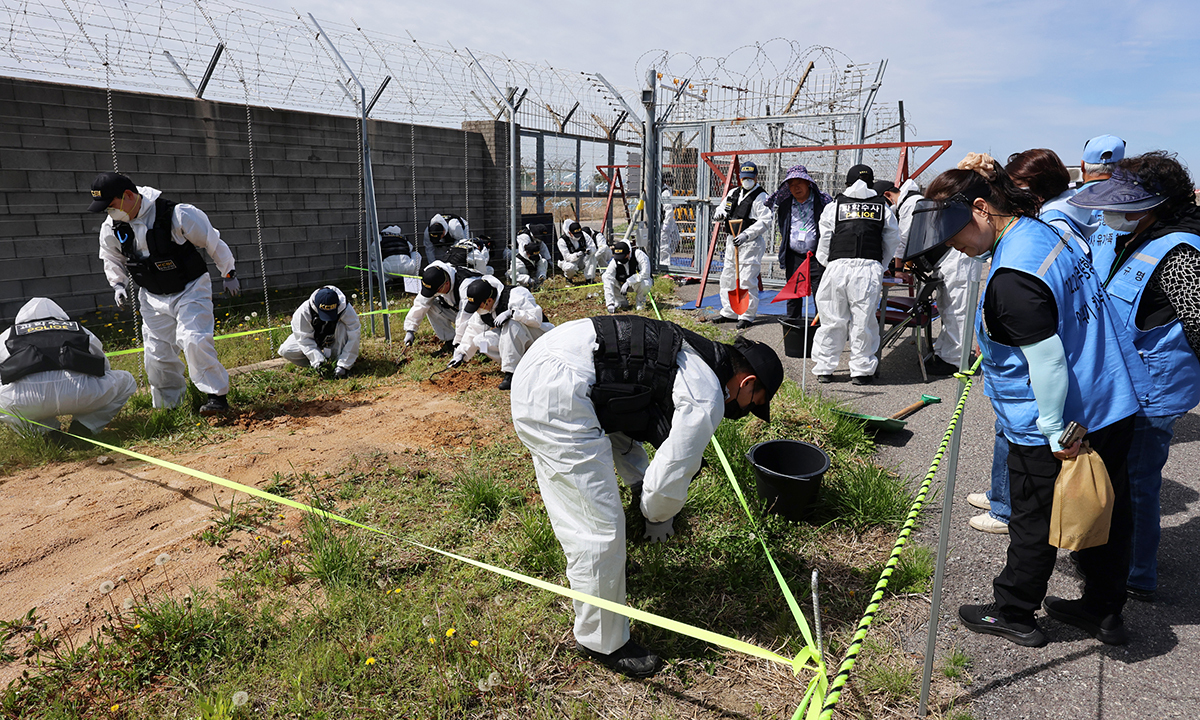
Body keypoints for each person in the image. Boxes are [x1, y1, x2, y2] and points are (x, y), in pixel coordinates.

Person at [905, 153, 1144, 647]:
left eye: (955, 235)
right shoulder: (1045, 232)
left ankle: (1014, 610)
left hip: (1057, 420)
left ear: (980, 208)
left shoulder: (1012, 275)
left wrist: (1055, 429)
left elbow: (1049, 362)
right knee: (1105, 510)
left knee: (1032, 514)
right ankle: (1103, 609)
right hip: (1108, 398)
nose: (956, 248)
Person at [510, 315, 784, 676]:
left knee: (590, 509)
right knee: (599, 532)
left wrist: (640, 484)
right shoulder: (706, 394)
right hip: (558, 393)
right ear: (747, 381)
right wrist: (656, 514)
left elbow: (621, 418)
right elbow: (672, 473)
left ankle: (604, 578)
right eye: (754, 401)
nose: (746, 409)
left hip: (549, 363)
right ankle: (602, 641)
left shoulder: (687, 351)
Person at [1069, 151, 1200, 602]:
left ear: (1152, 205)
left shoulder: (1181, 251)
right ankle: (1114, 555)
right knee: (1120, 475)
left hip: (1152, 390)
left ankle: (1137, 571)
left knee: (1139, 480)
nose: (1111, 214)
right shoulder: (1136, 237)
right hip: (1121, 382)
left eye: (1122, 205)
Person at [88, 172, 239, 415]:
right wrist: (118, 285)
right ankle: (171, 406)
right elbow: (110, 256)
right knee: (157, 353)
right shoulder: (112, 226)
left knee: (194, 339)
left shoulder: (177, 214)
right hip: (151, 295)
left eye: (111, 206)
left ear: (128, 196)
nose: (109, 213)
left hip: (190, 288)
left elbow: (212, 240)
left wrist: (228, 272)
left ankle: (217, 398)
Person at [0, 297, 137, 446]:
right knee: (126, 380)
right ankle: (85, 427)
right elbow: (103, 366)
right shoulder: (78, 329)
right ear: (61, 315)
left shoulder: (7, 335)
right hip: (81, 394)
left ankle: (45, 433)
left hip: (26, 402)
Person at [812, 164, 901, 385]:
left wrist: (828, 263)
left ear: (847, 183)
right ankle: (861, 371)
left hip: (837, 266)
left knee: (832, 319)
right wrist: (879, 265)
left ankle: (825, 368)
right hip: (868, 269)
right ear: (872, 183)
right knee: (863, 321)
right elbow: (892, 241)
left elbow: (824, 240)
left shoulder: (835, 206)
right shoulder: (883, 207)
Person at [882, 178, 975, 377]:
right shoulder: (916, 201)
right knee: (947, 308)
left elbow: (903, 239)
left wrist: (899, 268)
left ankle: (955, 360)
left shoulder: (909, 204)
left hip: (956, 261)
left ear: (887, 195)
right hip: (948, 259)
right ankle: (945, 352)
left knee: (956, 312)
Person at [448, 276, 553, 390]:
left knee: (512, 324)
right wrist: (461, 354)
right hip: (515, 341)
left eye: (478, 306)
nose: (477, 310)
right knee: (480, 341)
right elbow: (473, 330)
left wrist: (513, 313)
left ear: (488, 301)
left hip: (539, 337)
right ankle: (520, 365)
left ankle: (511, 373)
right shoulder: (484, 310)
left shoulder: (515, 294)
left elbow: (536, 319)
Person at [710, 161, 773, 329]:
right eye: (744, 178)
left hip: (750, 244)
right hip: (732, 241)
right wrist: (720, 214)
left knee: (746, 279)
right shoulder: (733, 193)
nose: (747, 181)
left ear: (756, 177)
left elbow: (765, 220)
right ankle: (729, 311)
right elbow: (721, 208)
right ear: (739, 178)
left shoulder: (761, 196)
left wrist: (747, 234)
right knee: (728, 277)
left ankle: (747, 315)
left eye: (750, 178)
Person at [766, 165, 830, 321]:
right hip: (794, 256)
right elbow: (783, 227)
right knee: (793, 293)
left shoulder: (822, 202)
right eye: (792, 184)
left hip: (817, 257)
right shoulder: (786, 204)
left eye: (799, 182)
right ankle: (792, 325)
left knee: (820, 293)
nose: (796, 187)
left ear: (808, 183)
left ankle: (821, 327)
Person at [1006, 148, 1096, 254]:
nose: (1014, 192)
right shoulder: (1069, 209)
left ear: (1040, 186)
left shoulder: (1052, 225)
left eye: (1019, 185)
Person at [278, 286, 361, 378]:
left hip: (335, 337)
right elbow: (304, 339)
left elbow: (354, 334)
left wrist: (344, 365)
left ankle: (339, 365)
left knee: (343, 327)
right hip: (313, 337)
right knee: (286, 350)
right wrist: (318, 361)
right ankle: (320, 365)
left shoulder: (346, 308)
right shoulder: (303, 311)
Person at [402, 261, 479, 356]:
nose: (434, 294)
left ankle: (471, 346)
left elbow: (464, 316)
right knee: (432, 306)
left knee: (477, 340)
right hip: (457, 310)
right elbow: (421, 303)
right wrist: (410, 330)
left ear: (446, 283)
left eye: (436, 291)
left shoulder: (466, 285)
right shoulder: (433, 276)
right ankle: (450, 341)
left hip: (478, 317)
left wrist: (459, 344)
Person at [1076, 135, 1126, 277]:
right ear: (1121, 167)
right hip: (1118, 289)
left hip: (1078, 288)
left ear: (1082, 165)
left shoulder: (1066, 201)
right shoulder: (1135, 202)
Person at [602, 241, 652, 313]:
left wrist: (629, 282)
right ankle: (620, 301)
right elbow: (608, 277)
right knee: (605, 276)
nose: (620, 260)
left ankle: (641, 302)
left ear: (629, 253)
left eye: (623, 257)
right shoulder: (615, 261)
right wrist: (610, 303)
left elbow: (646, 273)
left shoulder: (639, 255)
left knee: (646, 283)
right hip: (621, 284)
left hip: (637, 284)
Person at [657, 171, 682, 267]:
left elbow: (672, 204)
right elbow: (668, 209)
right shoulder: (665, 191)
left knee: (676, 239)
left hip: (670, 220)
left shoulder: (667, 190)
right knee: (664, 243)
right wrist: (666, 224)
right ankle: (664, 264)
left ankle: (667, 258)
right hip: (666, 220)